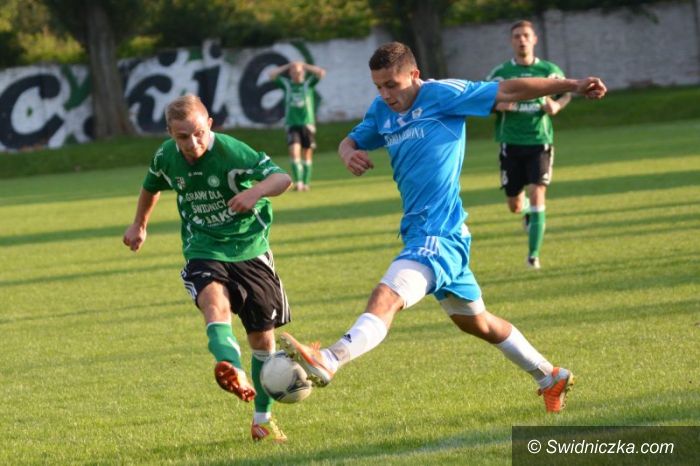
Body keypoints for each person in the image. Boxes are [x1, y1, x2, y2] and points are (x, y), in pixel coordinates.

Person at [279, 42, 606, 414]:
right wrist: (348, 152)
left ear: (414, 75)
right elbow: (351, 138)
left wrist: (572, 85)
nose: (385, 94)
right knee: (477, 323)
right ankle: (550, 376)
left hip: (439, 234)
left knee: (386, 295)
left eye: (392, 84)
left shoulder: (444, 95)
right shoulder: (382, 110)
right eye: (378, 86)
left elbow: (509, 89)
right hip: (425, 232)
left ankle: (331, 358)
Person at [122, 95, 292, 442]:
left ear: (209, 124)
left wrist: (255, 193)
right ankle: (231, 365)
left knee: (262, 339)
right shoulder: (166, 156)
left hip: (250, 248)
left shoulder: (232, 152)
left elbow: (282, 179)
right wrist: (139, 224)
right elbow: (151, 186)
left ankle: (262, 419)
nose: (193, 143)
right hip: (203, 247)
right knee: (214, 303)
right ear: (170, 133)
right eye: (183, 136)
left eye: (199, 133)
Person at [486, 20, 572, 269]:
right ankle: (525, 212)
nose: (521, 40)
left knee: (537, 191)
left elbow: (566, 92)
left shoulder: (548, 70)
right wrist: (497, 105)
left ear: (534, 39)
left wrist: (556, 105)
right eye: (517, 36)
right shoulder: (501, 73)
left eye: (526, 35)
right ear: (511, 41)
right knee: (514, 205)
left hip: (539, 141)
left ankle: (533, 256)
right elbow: (481, 99)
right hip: (510, 143)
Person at [269, 60, 326, 191]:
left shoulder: (308, 84)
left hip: (307, 125)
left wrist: (304, 65)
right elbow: (272, 75)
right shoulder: (287, 85)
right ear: (290, 73)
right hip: (292, 125)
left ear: (303, 73)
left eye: (299, 71)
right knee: (294, 152)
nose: (297, 74)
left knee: (307, 154)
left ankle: (306, 183)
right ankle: (298, 182)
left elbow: (321, 73)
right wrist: (288, 65)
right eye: (294, 71)